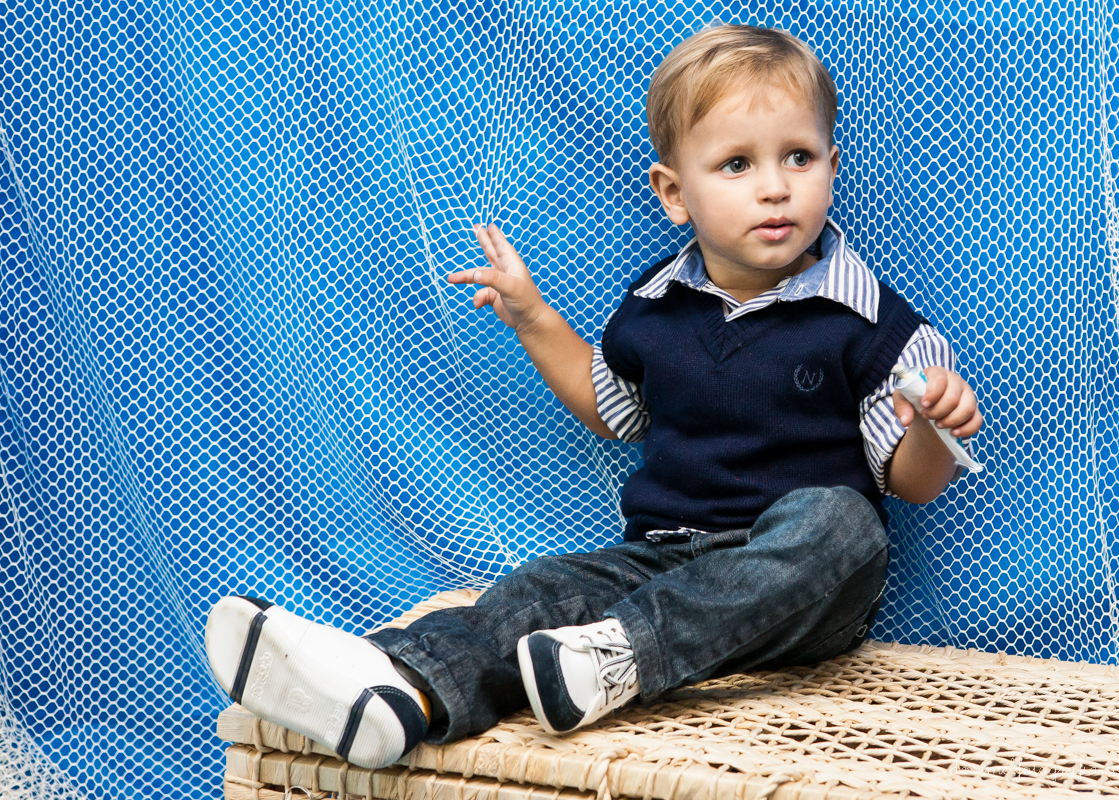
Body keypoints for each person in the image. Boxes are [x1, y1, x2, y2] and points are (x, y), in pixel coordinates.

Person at [204, 24, 983, 770]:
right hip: (660, 557)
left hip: (803, 588)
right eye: (737, 166)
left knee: (842, 523)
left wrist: (931, 428)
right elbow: (611, 409)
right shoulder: (655, 308)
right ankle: (395, 688)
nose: (775, 187)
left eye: (799, 157)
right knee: (540, 590)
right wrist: (534, 317)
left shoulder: (871, 322)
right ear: (674, 194)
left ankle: (623, 657)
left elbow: (910, 485)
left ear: (831, 167)